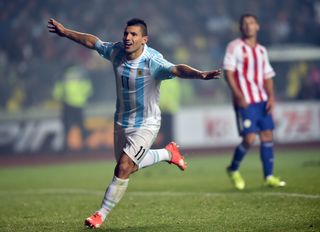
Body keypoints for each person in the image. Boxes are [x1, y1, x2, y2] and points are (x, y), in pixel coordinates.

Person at [48, 18, 221, 228]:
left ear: (144, 39)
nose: (128, 38)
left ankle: (100, 214)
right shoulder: (117, 51)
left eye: (133, 35)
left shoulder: (152, 61)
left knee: (123, 166)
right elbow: (93, 42)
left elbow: (177, 69)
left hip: (147, 123)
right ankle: (168, 153)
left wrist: (200, 75)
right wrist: (65, 32)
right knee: (129, 166)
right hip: (121, 121)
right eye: (126, 33)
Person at [223, 13, 286, 190]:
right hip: (245, 101)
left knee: (267, 136)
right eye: (245, 23)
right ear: (241, 28)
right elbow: (228, 72)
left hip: (262, 100)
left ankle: (269, 177)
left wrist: (271, 97)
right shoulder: (234, 47)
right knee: (249, 138)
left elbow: (268, 76)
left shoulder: (261, 50)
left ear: (257, 26)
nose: (249, 26)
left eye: (252, 23)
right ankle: (233, 169)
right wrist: (238, 95)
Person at [53, 65, 93, 151]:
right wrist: (83, 97)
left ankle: (65, 147)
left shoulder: (63, 74)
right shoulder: (81, 73)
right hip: (79, 104)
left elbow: (57, 91)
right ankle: (86, 146)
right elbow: (88, 89)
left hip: (67, 104)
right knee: (81, 126)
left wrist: (59, 97)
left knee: (66, 127)